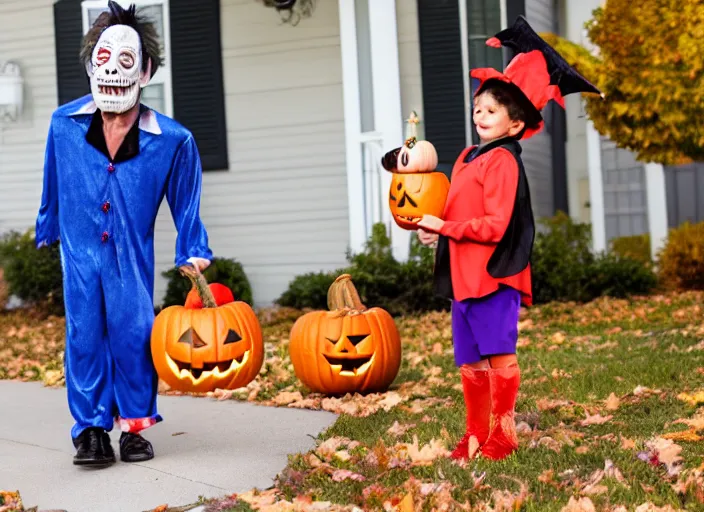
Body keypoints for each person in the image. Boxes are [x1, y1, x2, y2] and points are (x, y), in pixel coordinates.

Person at [415, 16, 602, 461]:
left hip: (493, 277)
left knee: (498, 354)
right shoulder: (466, 158)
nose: (480, 114)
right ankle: (475, 432)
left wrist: (447, 229)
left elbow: (495, 226)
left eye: (492, 110)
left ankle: (504, 433)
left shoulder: (502, 163)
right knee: (469, 359)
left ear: (515, 125)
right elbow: (456, 212)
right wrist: (434, 231)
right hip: (463, 277)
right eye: (478, 107)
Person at [35, 1, 213, 467]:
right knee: (85, 335)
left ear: (147, 70)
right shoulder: (64, 125)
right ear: (92, 63)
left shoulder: (173, 140)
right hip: (79, 253)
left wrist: (193, 247)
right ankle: (91, 431)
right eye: (103, 58)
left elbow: (186, 199)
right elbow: (52, 180)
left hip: (131, 254)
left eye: (126, 61)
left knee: (135, 332)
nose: (113, 70)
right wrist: (48, 222)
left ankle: (135, 427)